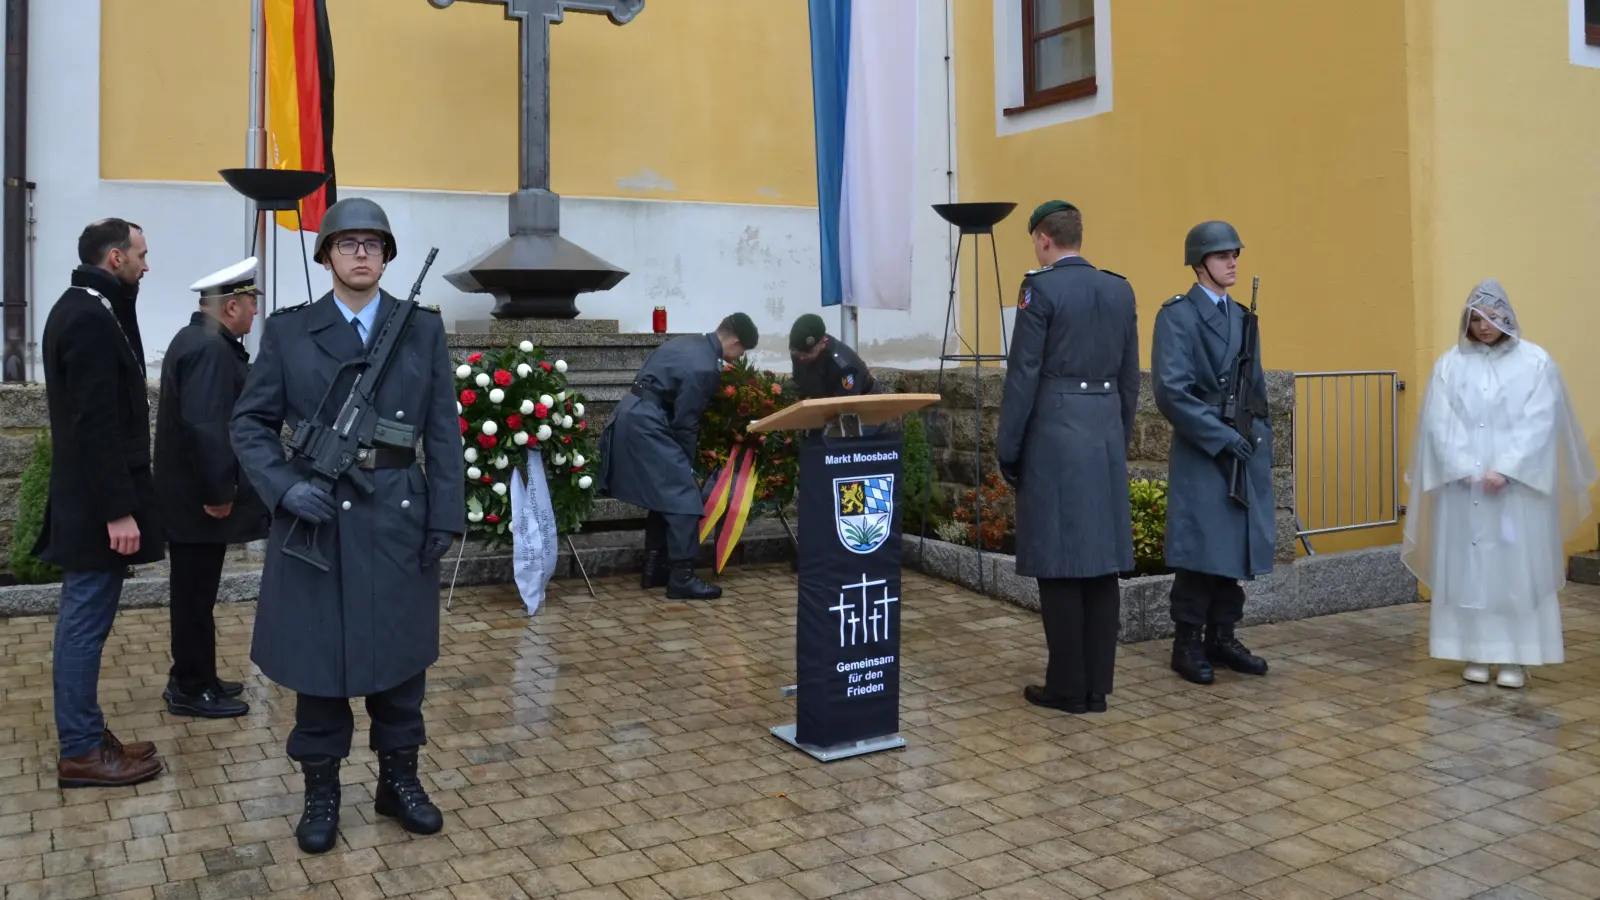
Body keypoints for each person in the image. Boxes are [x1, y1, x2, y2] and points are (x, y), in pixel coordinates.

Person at [231, 197, 464, 854]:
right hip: (318, 521)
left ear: (386, 256)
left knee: (400, 665)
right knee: (319, 670)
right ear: (327, 255)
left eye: (372, 244)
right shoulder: (288, 331)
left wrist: (445, 511)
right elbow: (248, 424)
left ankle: (399, 782)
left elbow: (442, 430)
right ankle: (323, 792)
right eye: (347, 243)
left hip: (398, 515)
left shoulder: (419, 329)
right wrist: (284, 487)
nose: (360, 254)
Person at [1403, 279, 1596, 689]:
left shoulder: (1535, 363)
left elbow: (1541, 420)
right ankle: (1472, 650)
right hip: (1464, 488)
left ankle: (1516, 656)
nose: (1484, 325)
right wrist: (1465, 466)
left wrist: (1505, 468)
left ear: (1507, 316)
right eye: (1475, 317)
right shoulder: (1450, 365)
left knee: (1515, 571)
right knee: (1467, 570)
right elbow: (1440, 422)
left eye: (1491, 316)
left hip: (1516, 492)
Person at [36, 218, 165, 788]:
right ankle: (81, 750)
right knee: (84, 626)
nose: (146, 263)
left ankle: (86, 734)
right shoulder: (88, 316)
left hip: (94, 500)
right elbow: (95, 425)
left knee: (85, 623)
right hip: (95, 508)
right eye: (140, 254)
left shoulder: (95, 305)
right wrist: (118, 510)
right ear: (115, 257)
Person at [996, 201, 1139, 714]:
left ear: (1042, 239)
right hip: (1103, 437)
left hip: (1055, 437)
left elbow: (1023, 376)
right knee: (1100, 567)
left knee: (1058, 565)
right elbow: (1129, 378)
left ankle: (1065, 687)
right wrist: (1115, 441)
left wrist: (1008, 448)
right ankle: (1097, 686)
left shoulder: (1041, 288)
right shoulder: (1119, 288)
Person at [1151, 220, 1275, 685]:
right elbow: (1171, 392)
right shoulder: (1178, 316)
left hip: (1241, 443)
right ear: (1200, 263)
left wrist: (1255, 436)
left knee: (1232, 552)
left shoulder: (1242, 317)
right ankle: (1186, 643)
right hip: (1205, 447)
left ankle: (1222, 636)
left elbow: (1256, 385)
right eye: (1223, 256)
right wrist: (1221, 437)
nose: (1232, 262)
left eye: (1235, 255)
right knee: (1202, 552)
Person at [153, 257, 272, 719]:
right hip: (198, 502)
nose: (255, 313)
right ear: (231, 307)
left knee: (195, 596)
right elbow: (207, 427)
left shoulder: (202, 341)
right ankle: (190, 686)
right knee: (194, 598)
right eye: (251, 305)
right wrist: (219, 490)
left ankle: (194, 673)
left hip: (190, 499)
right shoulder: (209, 350)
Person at [596, 313, 758, 600]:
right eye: (740, 352)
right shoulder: (706, 366)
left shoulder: (687, 342)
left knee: (664, 496)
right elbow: (686, 420)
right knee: (683, 495)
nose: (736, 358)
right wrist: (687, 465)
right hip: (647, 423)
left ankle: (654, 569)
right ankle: (682, 577)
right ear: (734, 341)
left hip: (630, 414)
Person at [789, 313, 874, 399]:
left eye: (807, 352)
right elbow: (799, 384)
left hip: (866, 403)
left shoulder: (844, 366)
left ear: (823, 342)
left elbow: (846, 406)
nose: (801, 358)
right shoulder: (798, 352)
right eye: (797, 352)